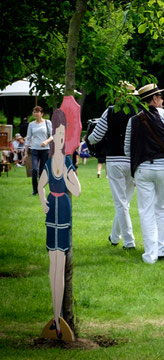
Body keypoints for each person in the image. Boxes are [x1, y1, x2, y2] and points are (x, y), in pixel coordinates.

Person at [124, 83, 164, 264]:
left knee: (146, 211)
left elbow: (127, 150)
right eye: (160, 97)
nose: (162, 100)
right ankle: (160, 251)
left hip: (142, 169)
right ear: (154, 99)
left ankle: (150, 255)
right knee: (162, 208)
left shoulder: (133, 120)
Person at [38, 109, 81, 340]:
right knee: (52, 265)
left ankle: (58, 319)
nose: (61, 139)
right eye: (58, 135)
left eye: (64, 135)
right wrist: (43, 199)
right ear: (53, 136)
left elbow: (77, 190)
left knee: (60, 264)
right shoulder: (48, 161)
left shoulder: (65, 161)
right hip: (51, 213)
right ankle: (55, 317)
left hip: (63, 211)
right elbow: (40, 185)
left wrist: (66, 177)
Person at [88, 82, 138, 249]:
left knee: (121, 203)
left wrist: (88, 141)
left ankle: (129, 242)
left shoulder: (109, 111)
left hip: (115, 159)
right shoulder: (139, 111)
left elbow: (96, 136)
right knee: (125, 201)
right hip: (134, 161)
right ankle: (115, 237)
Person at [25, 106, 53, 195]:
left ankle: (41, 188)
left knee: (42, 171)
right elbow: (28, 138)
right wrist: (25, 152)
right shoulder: (31, 124)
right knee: (34, 169)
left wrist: (46, 141)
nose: (35, 113)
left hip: (45, 150)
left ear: (42, 113)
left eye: (37, 112)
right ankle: (35, 190)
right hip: (34, 150)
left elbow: (53, 136)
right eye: (34, 112)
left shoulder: (47, 122)